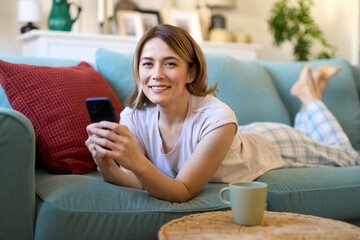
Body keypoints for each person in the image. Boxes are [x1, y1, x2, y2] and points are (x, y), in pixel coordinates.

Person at [85, 24, 359, 203]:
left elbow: (182, 191)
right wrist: (106, 164)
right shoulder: (134, 116)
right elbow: (136, 181)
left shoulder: (218, 117)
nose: (156, 75)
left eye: (170, 63)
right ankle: (308, 98)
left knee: (349, 157)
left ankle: (310, 97)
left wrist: (136, 161)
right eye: (148, 64)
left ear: (191, 72)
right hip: (237, 139)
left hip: (274, 143)